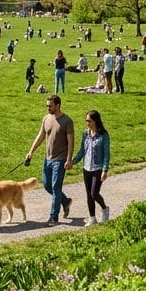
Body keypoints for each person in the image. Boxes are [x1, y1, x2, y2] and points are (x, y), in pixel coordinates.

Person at [23, 95, 75, 225]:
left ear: (58, 105)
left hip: (61, 159)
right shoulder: (46, 119)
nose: (48, 108)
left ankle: (53, 217)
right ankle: (65, 201)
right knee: (47, 185)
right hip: (48, 158)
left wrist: (69, 159)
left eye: (50, 106)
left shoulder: (67, 121)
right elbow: (41, 136)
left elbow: (71, 142)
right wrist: (31, 152)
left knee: (56, 187)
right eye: (47, 105)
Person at [69, 110, 111, 224]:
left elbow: (106, 154)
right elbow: (82, 151)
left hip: (98, 168)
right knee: (88, 195)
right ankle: (92, 218)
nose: (87, 123)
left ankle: (104, 208)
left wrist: (104, 170)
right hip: (86, 167)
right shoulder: (85, 134)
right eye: (86, 121)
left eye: (89, 121)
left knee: (94, 193)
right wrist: (72, 161)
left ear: (95, 121)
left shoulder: (103, 135)